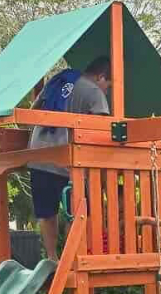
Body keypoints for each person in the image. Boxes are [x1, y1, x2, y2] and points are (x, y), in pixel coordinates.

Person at [28, 56, 112, 262]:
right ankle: (71, 259)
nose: (107, 91)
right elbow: (101, 129)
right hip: (68, 160)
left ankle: (51, 258)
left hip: (38, 153)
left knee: (47, 212)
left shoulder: (58, 80)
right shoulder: (94, 92)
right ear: (101, 77)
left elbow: (32, 112)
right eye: (108, 86)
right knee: (79, 212)